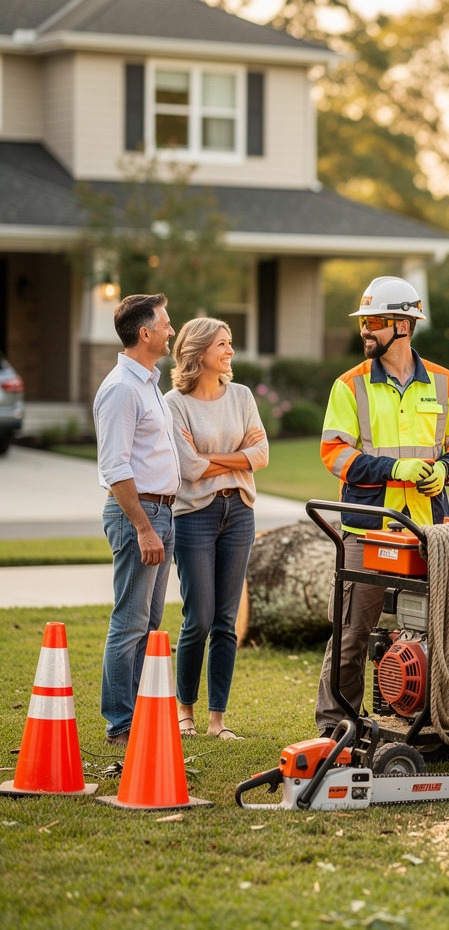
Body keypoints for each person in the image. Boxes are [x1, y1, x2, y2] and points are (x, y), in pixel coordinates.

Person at [316, 276, 449, 735]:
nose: (365, 330)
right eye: (364, 321)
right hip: (370, 531)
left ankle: (436, 720)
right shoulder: (349, 386)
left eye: (375, 322)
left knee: (446, 629)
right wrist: (395, 470)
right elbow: (336, 454)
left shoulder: (446, 384)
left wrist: (446, 470)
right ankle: (336, 727)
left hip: (431, 533)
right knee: (350, 634)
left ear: (404, 325)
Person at [164, 318, 268, 741]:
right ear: (199, 352)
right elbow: (187, 469)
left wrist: (215, 458)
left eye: (230, 343)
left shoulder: (241, 396)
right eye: (222, 344)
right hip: (195, 516)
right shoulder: (174, 403)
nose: (230, 351)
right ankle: (184, 711)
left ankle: (217, 720)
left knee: (226, 621)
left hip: (239, 511)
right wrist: (236, 456)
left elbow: (260, 455)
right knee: (199, 618)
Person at [93, 293, 181, 746]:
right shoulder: (121, 388)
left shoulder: (148, 382)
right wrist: (144, 527)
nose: (171, 330)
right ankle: (121, 725)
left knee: (148, 624)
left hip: (161, 511)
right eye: (165, 324)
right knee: (129, 621)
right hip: (138, 514)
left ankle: (139, 716)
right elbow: (116, 467)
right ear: (144, 333)